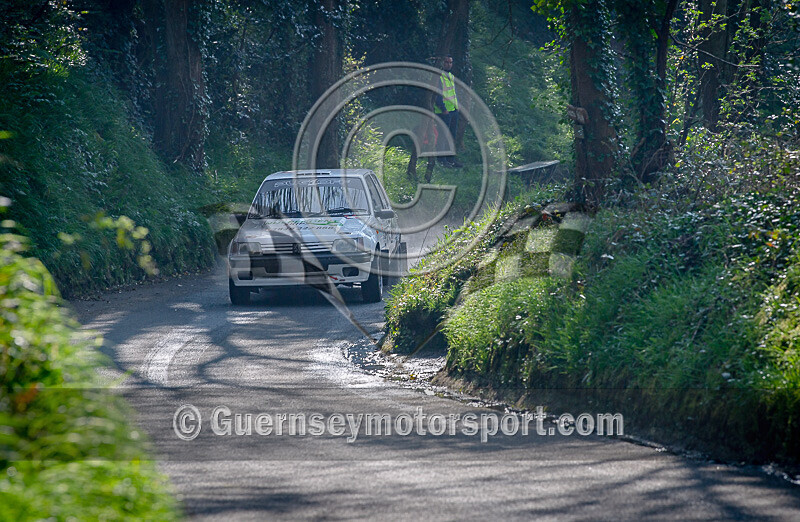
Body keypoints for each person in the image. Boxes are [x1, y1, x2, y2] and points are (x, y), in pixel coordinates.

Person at [433, 55, 463, 168]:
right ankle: (442, 160)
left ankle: (451, 159)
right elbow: (438, 95)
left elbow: (453, 93)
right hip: (444, 112)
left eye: (451, 62)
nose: (449, 64)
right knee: (443, 136)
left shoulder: (450, 76)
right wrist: (443, 109)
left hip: (453, 110)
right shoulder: (439, 77)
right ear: (442, 63)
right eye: (446, 62)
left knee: (451, 136)